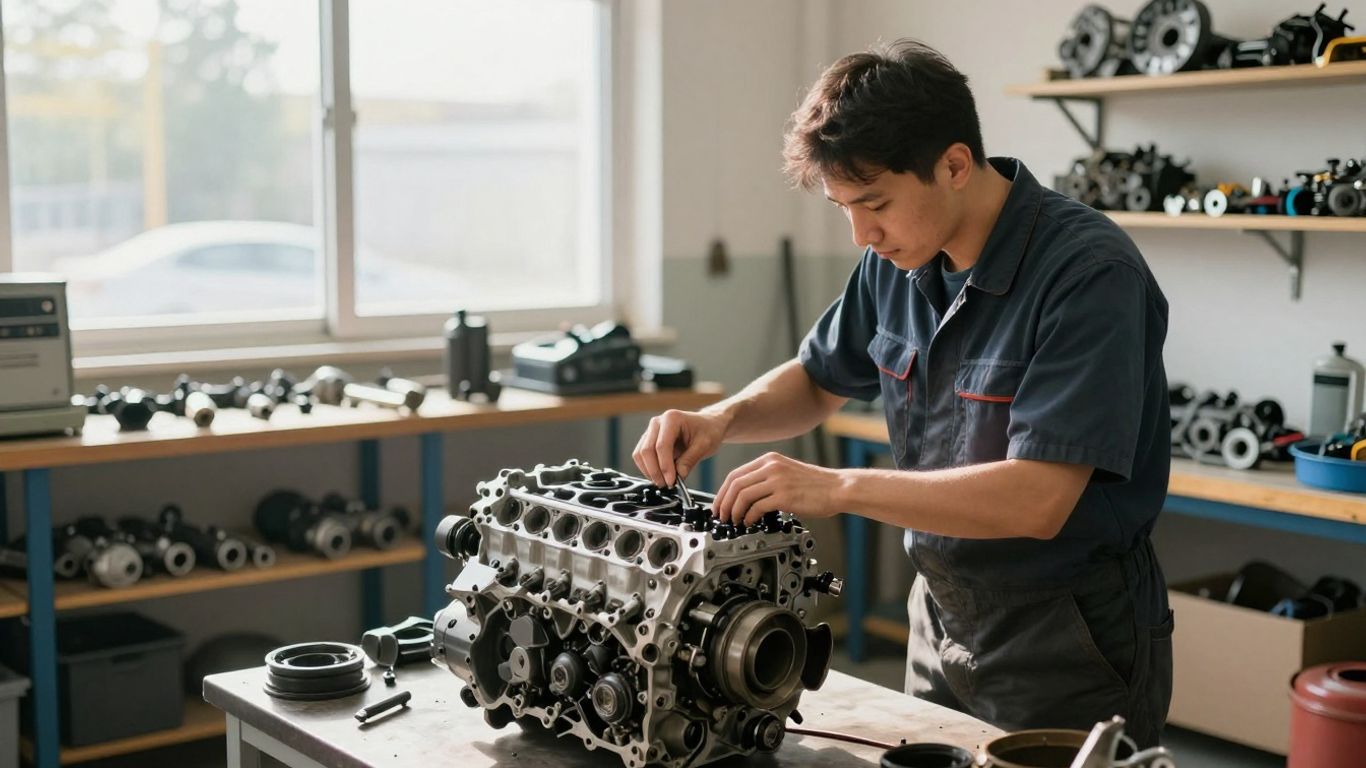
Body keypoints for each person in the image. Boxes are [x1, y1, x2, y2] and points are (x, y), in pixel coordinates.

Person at [632, 39, 1173, 746]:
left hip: (1065, 636)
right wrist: (720, 418)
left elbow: (1039, 499)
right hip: (941, 614)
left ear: (953, 165)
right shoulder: (897, 257)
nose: (862, 232)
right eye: (843, 207)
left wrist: (838, 488)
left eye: (875, 203)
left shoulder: (1088, 275)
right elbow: (819, 378)